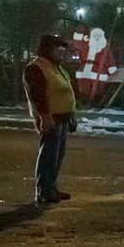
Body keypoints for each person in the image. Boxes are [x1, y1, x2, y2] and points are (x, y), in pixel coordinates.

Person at [23, 33, 78, 206]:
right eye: (58, 49)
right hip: (50, 117)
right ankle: (43, 190)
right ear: (48, 49)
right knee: (48, 155)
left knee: (57, 155)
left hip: (61, 117)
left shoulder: (56, 67)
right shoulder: (36, 67)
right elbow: (37, 95)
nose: (61, 52)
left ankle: (51, 187)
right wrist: (44, 116)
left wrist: (71, 115)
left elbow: (66, 91)